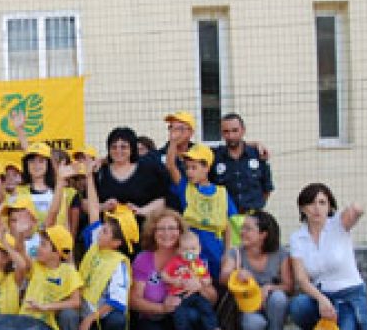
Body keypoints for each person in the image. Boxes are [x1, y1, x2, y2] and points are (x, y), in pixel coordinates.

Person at [288, 183, 367, 330]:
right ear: (302, 208)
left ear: (330, 206)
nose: (317, 208)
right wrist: (322, 299)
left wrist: (353, 208)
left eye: (322, 202)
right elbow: (301, 279)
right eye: (311, 203)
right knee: (298, 305)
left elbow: (357, 210)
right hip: (322, 296)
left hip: (349, 297)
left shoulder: (339, 225)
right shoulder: (297, 238)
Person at [77, 158, 138, 330]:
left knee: (116, 321)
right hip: (85, 309)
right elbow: (94, 209)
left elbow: (116, 302)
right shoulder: (96, 246)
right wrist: (89, 176)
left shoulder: (118, 263)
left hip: (100, 315)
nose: (100, 231)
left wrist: (90, 319)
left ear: (116, 243)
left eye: (105, 231)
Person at [219, 210, 292, 330]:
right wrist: (235, 274)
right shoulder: (236, 252)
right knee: (253, 325)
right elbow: (222, 277)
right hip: (247, 305)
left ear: (263, 234)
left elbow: (289, 286)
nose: (242, 232)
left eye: (248, 229)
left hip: (269, 302)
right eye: (242, 228)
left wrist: (270, 287)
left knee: (279, 298)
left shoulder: (280, 253)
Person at [167, 143, 236, 280]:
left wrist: (228, 253)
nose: (189, 172)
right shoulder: (185, 188)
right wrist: (173, 141)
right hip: (191, 249)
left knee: (217, 282)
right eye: (187, 168)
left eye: (194, 168)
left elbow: (232, 224)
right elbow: (170, 165)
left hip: (216, 248)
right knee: (193, 280)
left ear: (207, 168)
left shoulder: (222, 193)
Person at [130, 209, 191, 330]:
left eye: (172, 228)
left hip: (185, 317)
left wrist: (199, 286)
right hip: (154, 317)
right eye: (161, 228)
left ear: (180, 232)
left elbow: (212, 298)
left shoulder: (189, 255)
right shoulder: (143, 259)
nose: (166, 233)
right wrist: (163, 308)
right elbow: (134, 300)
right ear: (153, 232)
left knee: (193, 315)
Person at [94, 127, 169, 227]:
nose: (118, 151)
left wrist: (141, 210)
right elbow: (86, 202)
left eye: (123, 147)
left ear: (132, 148)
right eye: (114, 147)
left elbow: (161, 199)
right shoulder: (100, 171)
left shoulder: (147, 169)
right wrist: (103, 206)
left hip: (143, 230)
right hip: (109, 232)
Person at [165, 232, 228, 330]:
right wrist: (173, 280)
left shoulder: (198, 263)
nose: (190, 253)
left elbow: (207, 277)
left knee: (205, 307)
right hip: (179, 295)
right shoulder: (175, 262)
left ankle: (213, 328)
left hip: (195, 294)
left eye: (193, 249)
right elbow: (164, 274)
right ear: (179, 251)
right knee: (180, 313)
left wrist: (204, 282)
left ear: (199, 249)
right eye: (186, 250)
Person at [19, 225, 83, 330]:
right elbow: (20, 251)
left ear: (57, 252)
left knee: (69, 315)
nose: (38, 248)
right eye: (40, 244)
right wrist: (20, 234)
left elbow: (76, 302)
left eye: (43, 245)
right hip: (26, 321)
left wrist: (46, 307)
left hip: (49, 325)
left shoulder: (69, 272)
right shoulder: (35, 265)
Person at [211, 113, 274, 215]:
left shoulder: (258, 154)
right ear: (221, 133)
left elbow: (267, 187)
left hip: (253, 216)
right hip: (225, 218)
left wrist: (256, 207)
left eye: (235, 130)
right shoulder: (214, 157)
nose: (231, 136)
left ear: (243, 130)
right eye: (226, 131)